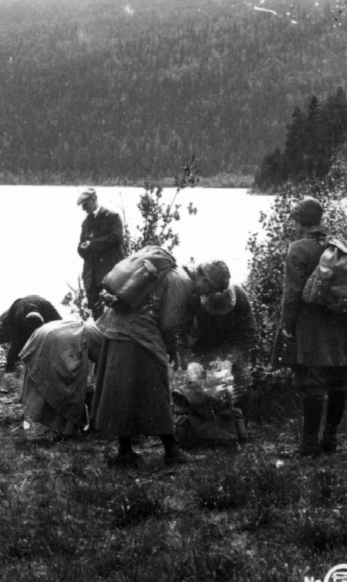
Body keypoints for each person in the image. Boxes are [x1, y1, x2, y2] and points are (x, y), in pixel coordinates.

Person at [91, 258, 231, 466]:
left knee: (124, 392)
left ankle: (126, 450)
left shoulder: (174, 274)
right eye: (208, 288)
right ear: (203, 276)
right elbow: (168, 323)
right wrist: (171, 348)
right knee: (158, 389)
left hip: (119, 328)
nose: (206, 294)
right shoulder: (183, 282)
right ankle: (171, 450)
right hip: (139, 334)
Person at [281, 196, 347, 456]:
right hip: (341, 320)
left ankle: (309, 444)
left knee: (311, 382)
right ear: (320, 219)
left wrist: (287, 326)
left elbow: (291, 294)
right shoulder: (339, 244)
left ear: (299, 221)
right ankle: (330, 440)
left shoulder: (298, 248)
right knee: (338, 382)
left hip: (311, 324)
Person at [188, 281, 256, 417]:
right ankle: (205, 424)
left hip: (234, 342)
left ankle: (239, 424)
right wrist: (199, 361)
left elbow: (248, 333)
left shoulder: (240, 295)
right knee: (198, 382)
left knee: (242, 380)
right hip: (205, 342)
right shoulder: (194, 299)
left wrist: (230, 360)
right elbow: (189, 335)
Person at [0, 295, 62, 372]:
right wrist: (10, 369)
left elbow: (62, 329)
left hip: (39, 306)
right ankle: (11, 370)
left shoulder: (49, 312)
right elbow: (16, 346)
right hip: (15, 312)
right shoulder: (18, 319)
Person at [77, 189, 126, 318]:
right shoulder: (86, 223)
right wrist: (82, 248)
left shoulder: (112, 217)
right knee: (97, 316)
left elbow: (116, 238)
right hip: (92, 277)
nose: (83, 209)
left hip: (111, 275)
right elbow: (81, 248)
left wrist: (92, 244)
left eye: (85, 204)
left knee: (116, 312)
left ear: (94, 199)